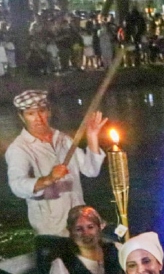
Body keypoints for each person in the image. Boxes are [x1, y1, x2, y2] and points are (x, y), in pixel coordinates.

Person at [5, 90, 107, 238]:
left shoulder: (63, 139)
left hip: (80, 220)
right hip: (52, 228)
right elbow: (17, 186)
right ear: (22, 117)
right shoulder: (19, 149)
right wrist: (49, 179)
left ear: (49, 112)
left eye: (41, 111)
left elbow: (91, 170)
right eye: (30, 114)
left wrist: (92, 137)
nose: (38, 118)